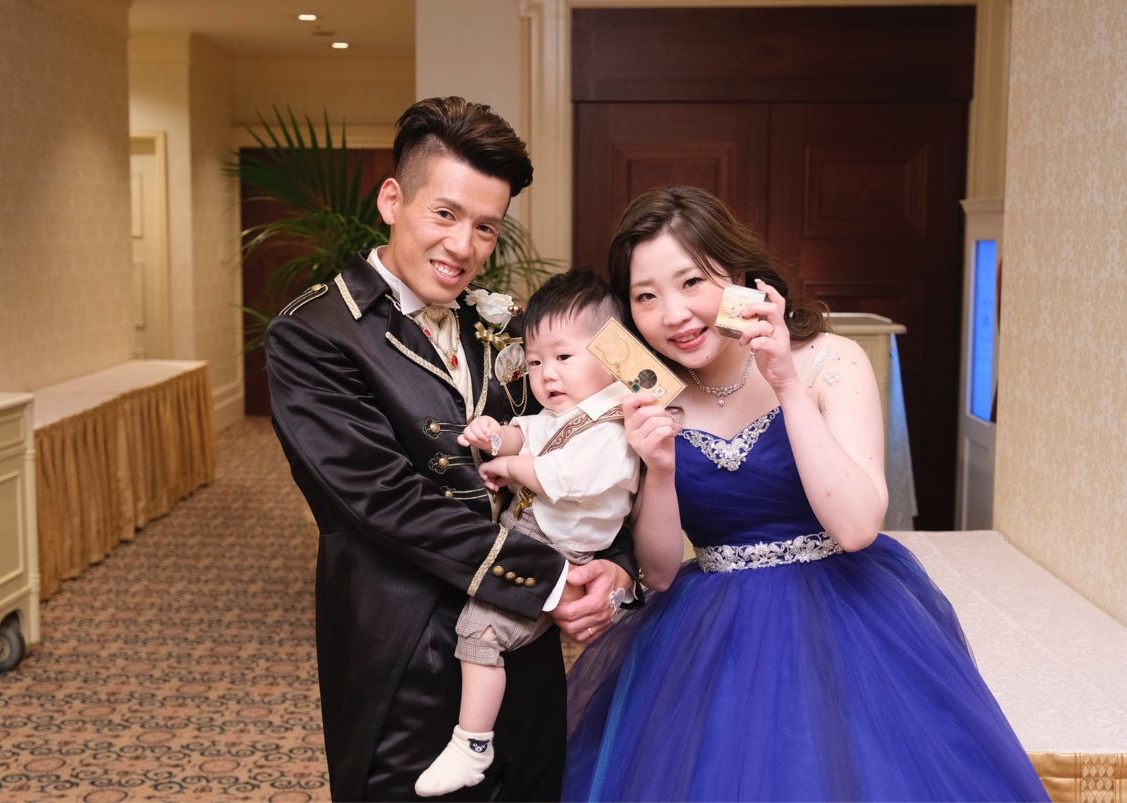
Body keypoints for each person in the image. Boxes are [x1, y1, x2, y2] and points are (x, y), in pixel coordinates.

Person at [562, 186, 1049, 801]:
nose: (675, 315)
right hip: (708, 631)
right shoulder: (648, 395)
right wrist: (658, 469)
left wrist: (787, 385)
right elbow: (658, 574)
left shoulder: (829, 361)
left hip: (846, 611)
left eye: (692, 282)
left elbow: (856, 527)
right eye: (646, 297)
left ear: (739, 276)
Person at [265, 96, 640, 802]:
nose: (464, 246)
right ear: (392, 200)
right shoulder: (314, 333)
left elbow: (606, 424)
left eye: (486, 227)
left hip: (521, 634)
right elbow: (385, 501)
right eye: (445, 214)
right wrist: (557, 580)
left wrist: (615, 569)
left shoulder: (508, 325)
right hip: (406, 647)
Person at [415, 268, 641, 797]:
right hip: (528, 535)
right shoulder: (567, 414)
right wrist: (494, 437)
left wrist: (511, 468)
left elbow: (562, 478)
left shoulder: (613, 429)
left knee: (480, 632)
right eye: (536, 361)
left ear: (613, 354)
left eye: (563, 357)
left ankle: (472, 742)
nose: (547, 374)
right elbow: (526, 434)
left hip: (557, 550)